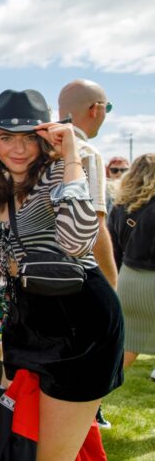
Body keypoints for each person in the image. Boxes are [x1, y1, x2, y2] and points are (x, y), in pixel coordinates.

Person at [0, 89, 123, 460]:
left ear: (45, 137)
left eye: (28, 138)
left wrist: (69, 156)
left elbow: (78, 240)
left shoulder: (65, 170)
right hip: (28, 325)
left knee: (52, 455)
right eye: (6, 137)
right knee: (18, 444)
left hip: (80, 326)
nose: (17, 149)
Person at [58, 80, 117, 289]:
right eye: (107, 108)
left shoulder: (37, 148)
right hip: (77, 277)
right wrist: (111, 286)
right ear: (96, 109)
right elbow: (95, 228)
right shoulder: (85, 152)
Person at [108, 154, 155, 372]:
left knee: (127, 347)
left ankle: (92, 396)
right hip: (151, 280)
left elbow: (113, 250)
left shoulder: (119, 206)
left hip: (127, 280)